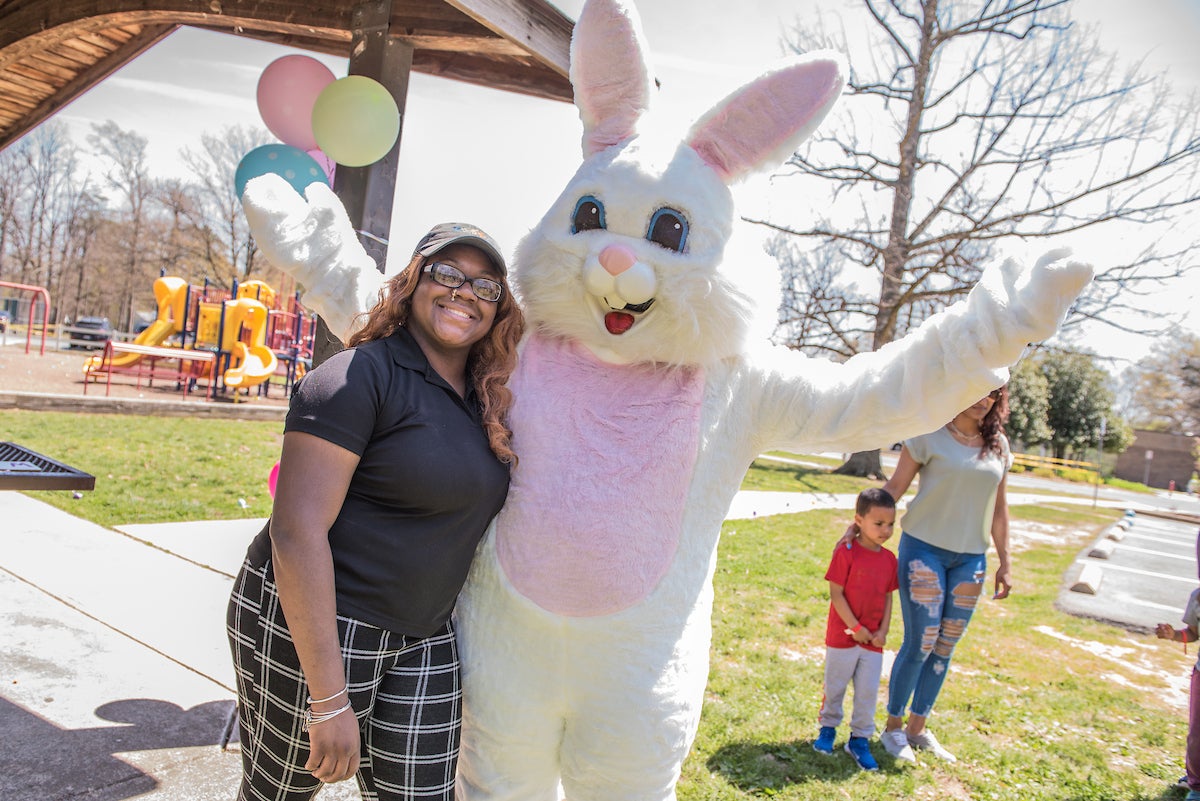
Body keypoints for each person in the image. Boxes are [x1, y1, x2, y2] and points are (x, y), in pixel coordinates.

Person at [226, 222, 524, 800]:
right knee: (277, 794)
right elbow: (295, 531)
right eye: (448, 275)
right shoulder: (354, 378)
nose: (465, 293)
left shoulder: (485, 400)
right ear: (413, 282)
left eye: (485, 287)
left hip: (424, 634)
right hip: (315, 621)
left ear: (498, 309)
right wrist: (329, 698)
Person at [874, 386, 1013, 764]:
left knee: (945, 645)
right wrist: (864, 523)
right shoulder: (927, 433)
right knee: (921, 640)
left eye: (993, 395)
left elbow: (1000, 509)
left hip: (971, 559)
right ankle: (893, 728)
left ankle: (917, 730)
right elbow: (895, 488)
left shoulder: (997, 445)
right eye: (978, 391)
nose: (984, 400)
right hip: (924, 550)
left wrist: (1005, 560)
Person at [813, 487, 899, 771]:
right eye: (879, 523)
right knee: (835, 686)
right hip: (843, 637)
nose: (885, 530)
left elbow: (888, 596)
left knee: (867, 693)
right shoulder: (845, 552)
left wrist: (882, 631)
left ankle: (859, 739)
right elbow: (836, 594)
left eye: (890, 524)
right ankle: (827, 729)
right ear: (859, 520)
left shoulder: (889, 560)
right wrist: (856, 627)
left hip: (873, 642)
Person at [1154, 530, 1200, 801]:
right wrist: (1175, 635)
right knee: (1197, 735)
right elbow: (1193, 633)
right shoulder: (1197, 597)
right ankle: (1196, 784)